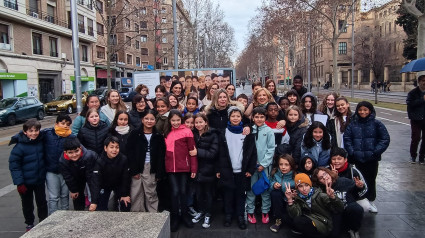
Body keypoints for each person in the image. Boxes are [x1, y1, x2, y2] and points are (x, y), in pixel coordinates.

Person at [344, 101, 390, 213]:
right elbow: (347, 139)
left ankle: (371, 200)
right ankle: (358, 199)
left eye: (365, 110)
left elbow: (385, 139)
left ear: (370, 111)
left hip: (371, 159)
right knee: (356, 179)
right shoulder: (353, 124)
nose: (362, 112)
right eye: (360, 110)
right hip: (357, 158)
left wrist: (375, 151)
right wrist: (352, 152)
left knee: (370, 179)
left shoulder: (377, 124)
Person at [216, 106, 257, 230]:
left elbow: (252, 153)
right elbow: (219, 153)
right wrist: (218, 169)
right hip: (227, 170)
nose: (235, 118)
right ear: (229, 117)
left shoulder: (246, 133)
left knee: (240, 195)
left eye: (238, 116)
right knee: (228, 194)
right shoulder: (223, 132)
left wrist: (250, 170)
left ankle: (240, 216)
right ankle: (228, 215)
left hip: (242, 171)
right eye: (233, 116)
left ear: (241, 118)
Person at [9, 119, 47, 232]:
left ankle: (43, 220)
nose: (34, 133)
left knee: (42, 202)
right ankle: (29, 223)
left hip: (39, 179)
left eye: (36, 130)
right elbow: (14, 166)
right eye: (31, 131)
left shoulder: (40, 141)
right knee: (27, 204)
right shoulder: (19, 147)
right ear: (25, 132)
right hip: (25, 182)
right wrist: (19, 182)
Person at [164, 109, 198, 232]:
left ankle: (185, 215)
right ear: (169, 121)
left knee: (183, 191)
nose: (176, 122)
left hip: (184, 167)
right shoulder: (166, 132)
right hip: (171, 168)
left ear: (181, 120)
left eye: (178, 120)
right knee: (174, 192)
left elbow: (192, 151)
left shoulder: (187, 131)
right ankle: (175, 217)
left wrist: (193, 167)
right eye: (173, 120)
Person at [126, 110, 166, 212]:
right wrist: (133, 169)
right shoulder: (135, 134)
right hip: (137, 166)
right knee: (136, 192)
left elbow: (161, 156)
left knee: (151, 192)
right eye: (146, 119)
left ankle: (153, 214)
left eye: (152, 119)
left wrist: (159, 173)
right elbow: (129, 152)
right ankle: (137, 215)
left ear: (155, 121)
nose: (149, 121)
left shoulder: (158, 136)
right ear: (142, 120)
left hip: (151, 167)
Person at [285, 173, 344, 237]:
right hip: (311, 222)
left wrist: (333, 197)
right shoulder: (298, 198)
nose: (304, 189)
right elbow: (295, 215)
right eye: (300, 186)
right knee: (291, 219)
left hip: (323, 222)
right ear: (297, 188)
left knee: (299, 222)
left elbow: (339, 208)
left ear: (310, 185)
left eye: (306, 185)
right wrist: (290, 200)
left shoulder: (320, 195)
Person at [312, 167, 364, 238]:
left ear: (329, 173)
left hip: (348, 208)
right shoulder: (321, 191)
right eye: (321, 178)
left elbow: (356, 190)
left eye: (325, 174)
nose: (325, 178)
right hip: (336, 213)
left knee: (356, 209)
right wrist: (331, 197)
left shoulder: (343, 181)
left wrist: (359, 186)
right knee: (334, 234)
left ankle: (354, 229)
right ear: (319, 181)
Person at [246, 107, 275, 225]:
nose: (259, 119)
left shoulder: (268, 131)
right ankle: (250, 211)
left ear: (265, 117)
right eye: (256, 117)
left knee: (265, 189)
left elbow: (271, 149)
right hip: (252, 166)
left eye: (261, 117)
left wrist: (264, 164)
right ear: (253, 118)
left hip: (264, 166)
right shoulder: (249, 130)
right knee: (251, 189)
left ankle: (265, 211)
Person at [42, 114, 75, 215]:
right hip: (51, 171)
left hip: (65, 171)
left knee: (64, 196)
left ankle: (64, 217)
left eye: (68, 124)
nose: (65, 126)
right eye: (63, 123)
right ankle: (52, 219)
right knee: (53, 197)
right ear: (56, 123)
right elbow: (33, 134)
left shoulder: (71, 136)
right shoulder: (47, 134)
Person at [191, 114, 219, 228]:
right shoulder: (193, 134)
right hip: (196, 169)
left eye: (200, 122)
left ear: (206, 122)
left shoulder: (213, 134)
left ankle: (208, 214)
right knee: (198, 193)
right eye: (196, 122)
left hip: (209, 169)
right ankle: (201, 211)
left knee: (208, 193)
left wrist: (198, 152)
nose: (198, 125)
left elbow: (213, 153)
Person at [90, 136, 131, 212]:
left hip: (118, 185)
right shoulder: (100, 161)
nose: (114, 150)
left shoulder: (123, 159)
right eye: (111, 147)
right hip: (104, 186)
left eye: (117, 147)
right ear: (105, 148)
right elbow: (96, 182)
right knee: (100, 207)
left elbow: (125, 178)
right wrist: (94, 201)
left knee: (125, 203)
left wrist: (125, 195)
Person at [59, 137, 98, 211]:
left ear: (80, 148)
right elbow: (68, 177)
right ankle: (78, 212)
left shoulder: (89, 156)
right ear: (65, 152)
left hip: (90, 172)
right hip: (76, 176)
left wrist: (94, 201)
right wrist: (73, 190)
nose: (74, 155)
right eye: (70, 152)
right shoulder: (63, 161)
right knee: (77, 196)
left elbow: (91, 178)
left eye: (76, 151)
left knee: (94, 195)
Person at [269, 154, 296, 233]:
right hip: (279, 203)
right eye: (281, 164)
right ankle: (278, 220)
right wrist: (274, 185)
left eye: (286, 165)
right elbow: (270, 184)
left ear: (291, 166)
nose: (283, 167)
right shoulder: (275, 173)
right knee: (275, 193)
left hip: (290, 202)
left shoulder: (295, 176)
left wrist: (294, 193)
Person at [406, 75, 425, 164]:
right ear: (419, 82)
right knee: (416, 138)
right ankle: (413, 155)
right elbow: (410, 104)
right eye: (423, 81)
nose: (424, 82)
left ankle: (422, 157)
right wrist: (422, 99)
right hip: (416, 119)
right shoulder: (413, 93)